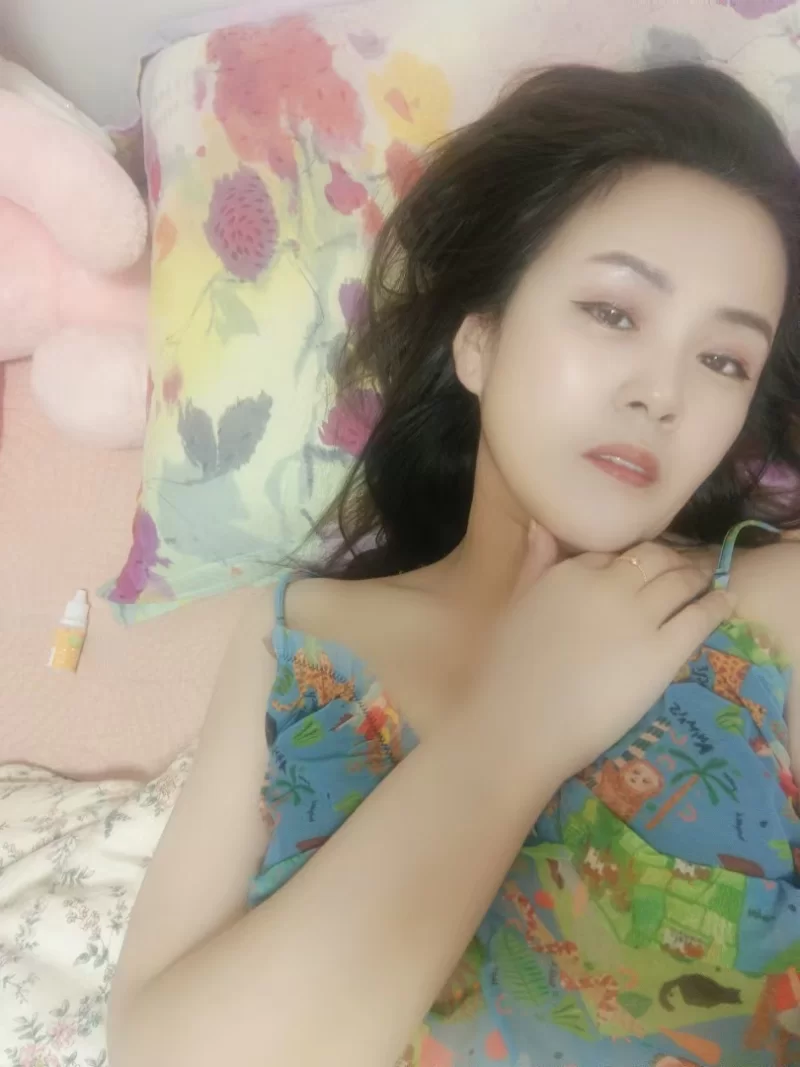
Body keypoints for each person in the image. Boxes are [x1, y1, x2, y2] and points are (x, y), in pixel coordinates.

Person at [107, 62, 800, 1067]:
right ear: (478, 341)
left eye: (724, 359)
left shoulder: (770, 609)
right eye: (612, 312)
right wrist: (520, 725)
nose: (662, 392)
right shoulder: (297, 637)